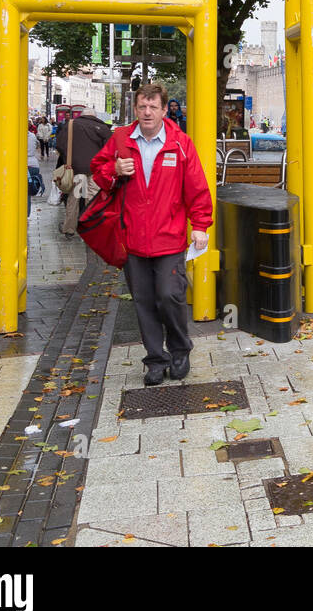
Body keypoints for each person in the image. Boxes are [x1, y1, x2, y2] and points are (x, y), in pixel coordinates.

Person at [91, 84, 212, 386]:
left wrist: (200, 225)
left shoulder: (180, 143)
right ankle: (155, 359)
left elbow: (197, 188)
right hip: (132, 238)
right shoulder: (120, 140)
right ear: (135, 109)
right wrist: (115, 169)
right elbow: (98, 173)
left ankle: (180, 351)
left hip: (169, 237)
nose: (147, 112)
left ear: (163, 109)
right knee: (143, 301)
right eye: (142, 106)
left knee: (169, 295)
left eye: (153, 107)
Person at [56, 108, 114, 236]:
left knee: (74, 198)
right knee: (93, 198)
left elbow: (59, 144)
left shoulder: (71, 125)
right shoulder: (102, 128)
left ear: (82, 115)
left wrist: (68, 159)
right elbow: (111, 148)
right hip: (95, 170)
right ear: (94, 116)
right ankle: (92, 229)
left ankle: (69, 228)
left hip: (76, 169)